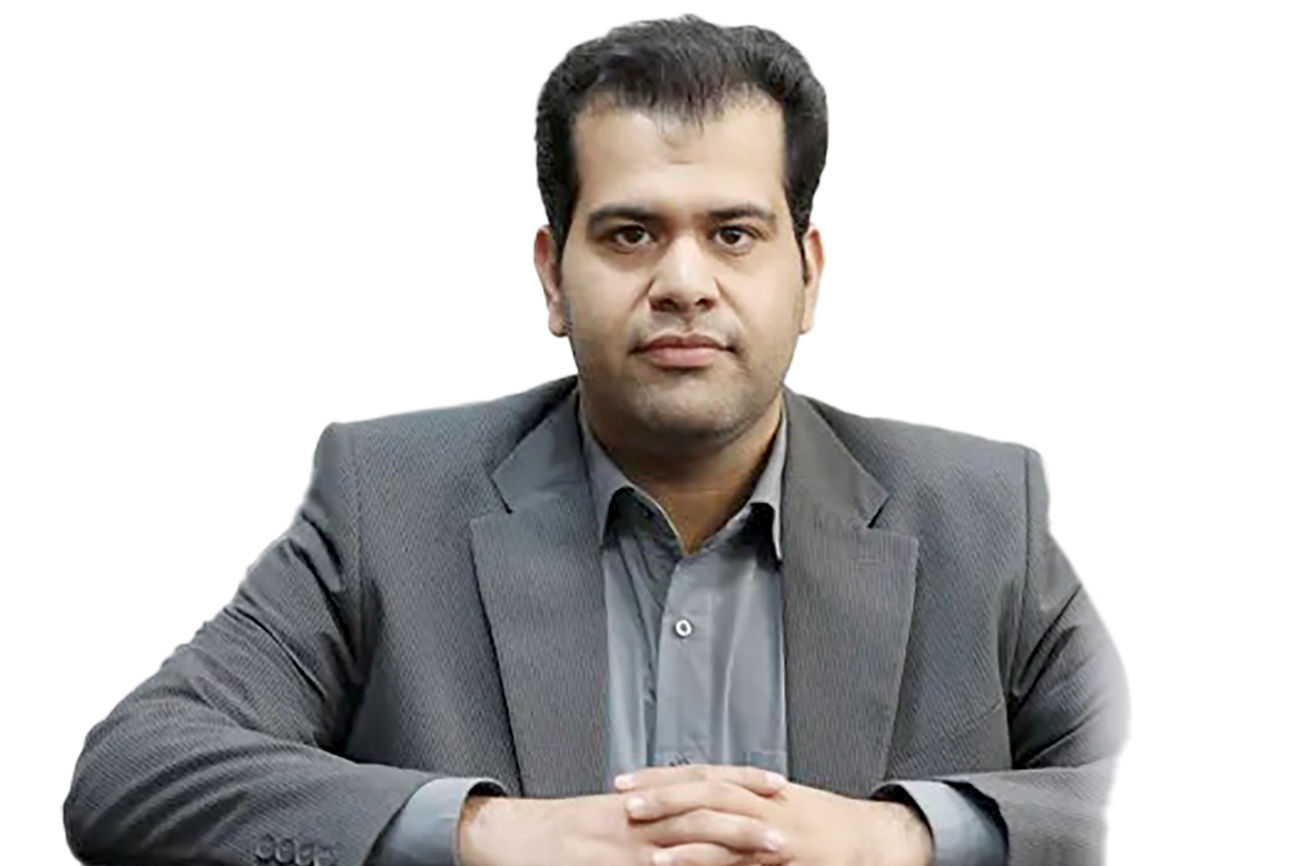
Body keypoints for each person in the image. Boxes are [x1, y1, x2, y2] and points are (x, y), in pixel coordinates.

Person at [63, 14, 1128, 866]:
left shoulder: (984, 515)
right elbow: (136, 770)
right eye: (630, 233)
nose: (683, 281)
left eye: (733, 233)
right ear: (552, 275)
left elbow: (1149, 785)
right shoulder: (386, 502)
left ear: (808, 275)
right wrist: (487, 832)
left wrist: (901, 836)